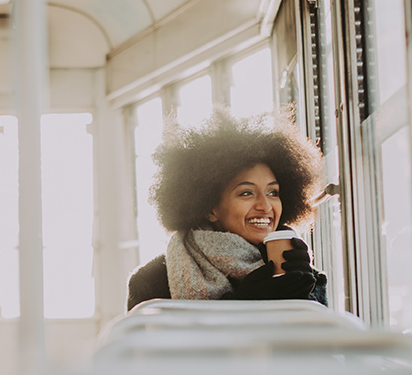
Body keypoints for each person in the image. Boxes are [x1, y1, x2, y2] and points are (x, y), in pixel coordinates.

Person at [126, 108, 328, 311]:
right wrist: (243, 303)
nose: (265, 206)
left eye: (273, 193)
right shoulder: (152, 280)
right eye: (246, 193)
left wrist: (306, 296)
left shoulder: (303, 278)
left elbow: (321, 341)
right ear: (209, 208)